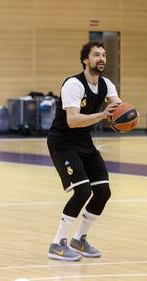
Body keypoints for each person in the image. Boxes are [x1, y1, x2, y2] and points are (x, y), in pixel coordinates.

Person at [47, 41, 122, 261]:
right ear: (85, 60)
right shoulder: (73, 84)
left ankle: (79, 239)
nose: (102, 59)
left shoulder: (107, 84)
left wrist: (127, 116)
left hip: (84, 142)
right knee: (82, 191)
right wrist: (102, 115)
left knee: (103, 191)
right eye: (97, 55)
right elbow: (72, 121)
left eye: (104, 55)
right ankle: (57, 244)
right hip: (62, 142)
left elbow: (119, 108)